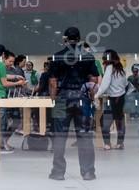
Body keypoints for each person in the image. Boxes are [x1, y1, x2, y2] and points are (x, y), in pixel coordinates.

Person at [48, 26, 98, 182]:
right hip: (82, 99)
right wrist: (91, 97)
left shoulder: (57, 57)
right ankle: (88, 173)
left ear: (65, 39)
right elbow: (93, 80)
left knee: (59, 136)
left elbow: (52, 81)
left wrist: (53, 99)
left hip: (62, 98)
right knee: (85, 136)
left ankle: (58, 172)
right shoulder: (88, 56)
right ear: (79, 39)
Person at [0, 45, 27, 154]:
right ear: (3, 55)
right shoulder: (0, 65)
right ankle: (1, 146)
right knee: (1, 122)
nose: (11, 64)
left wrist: (15, 77)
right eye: (10, 61)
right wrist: (19, 82)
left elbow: (0, 76)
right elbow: (4, 83)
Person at [97, 49, 127, 150]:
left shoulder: (110, 68)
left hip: (113, 99)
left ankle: (107, 144)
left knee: (104, 121)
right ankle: (120, 143)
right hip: (121, 98)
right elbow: (125, 84)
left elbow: (105, 85)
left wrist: (96, 95)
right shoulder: (120, 68)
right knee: (120, 120)